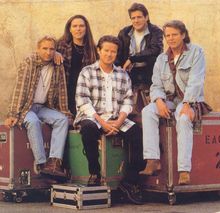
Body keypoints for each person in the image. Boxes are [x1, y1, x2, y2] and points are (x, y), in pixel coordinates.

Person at [75, 35, 145, 204]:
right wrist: (102, 123)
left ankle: (129, 181)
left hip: (116, 118)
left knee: (137, 132)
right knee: (88, 129)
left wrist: (119, 121)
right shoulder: (87, 72)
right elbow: (83, 101)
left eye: (113, 51)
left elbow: (128, 101)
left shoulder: (122, 74)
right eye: (106, 50)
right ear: (99, 51)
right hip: (93, 117)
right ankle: (94, 173)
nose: (109, 54)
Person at [140, 20, 212, 185]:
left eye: (174, 34)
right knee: (147, 111)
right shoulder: (162, 59)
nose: (170, 38)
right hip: (169, 100)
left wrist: (187, 103)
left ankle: (184, 170)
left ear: (183, 35)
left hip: (189, 100)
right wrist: (158, 101)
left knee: (184, 118)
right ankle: (152, 160)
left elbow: (196, 80)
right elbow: (156, 84)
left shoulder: (196, 52)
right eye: (167, 35)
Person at [4, 36, 72, 180]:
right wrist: (13, 114)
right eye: (45, 48)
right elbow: (20, 89)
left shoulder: (57, 64)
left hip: (43, 107)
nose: (48, 52)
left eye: (52, 49)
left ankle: (53, 162)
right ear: (38, 48)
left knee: (62, 120)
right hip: (26, 108)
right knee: (33, 122)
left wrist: (65, 112)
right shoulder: (29, 62)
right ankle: (41, 163)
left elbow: (62, 90)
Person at [116, 3, 163, 120]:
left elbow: (154, 50)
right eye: (133, 18)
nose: (136, 20)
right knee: (128, 109)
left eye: (139, 17)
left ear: (146, 17)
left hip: (150, 72)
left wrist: (132, 59)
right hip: (130, 73)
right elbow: (118, 53)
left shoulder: (156, 31)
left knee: (151, 109)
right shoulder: (124, 33)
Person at [57, 15, 97, 117]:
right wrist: (54, 53)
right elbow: (46, 50)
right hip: (66, 90)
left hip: (85, 91)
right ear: (69, 29)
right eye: (74, 26)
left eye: (81, 26)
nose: (78, 29)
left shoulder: (93, 49)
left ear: (86, 28)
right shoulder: (61, 46)